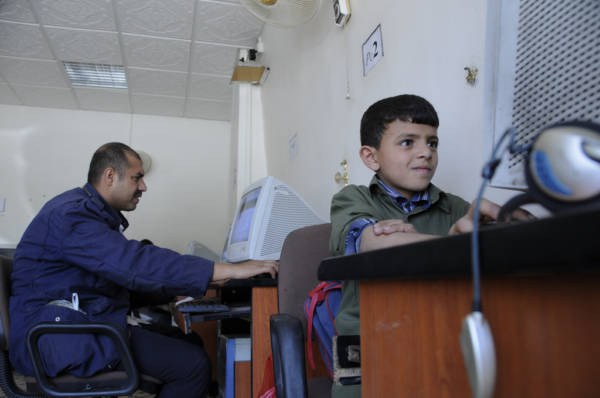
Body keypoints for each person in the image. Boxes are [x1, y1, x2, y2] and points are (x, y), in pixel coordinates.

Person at [9, 142, 278, 398]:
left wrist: (175, 289)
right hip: (55, 337)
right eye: (137, 178)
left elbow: (115, 279)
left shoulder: (86, 213)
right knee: (192, 366)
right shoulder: (72, 216)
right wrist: (226, 270)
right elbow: (134, 264)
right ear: (110, 176)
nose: (144, 186)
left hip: (69, 326)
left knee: (190, 342)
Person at [329, 94, 531, 398]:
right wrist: (454, 246)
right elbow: (370, 241)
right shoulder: (353, 199)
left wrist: (512, 222)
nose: (426, 152)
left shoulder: (456, 206)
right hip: (369, 354)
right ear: (371, 157)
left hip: (438, 344)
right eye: (408, 142)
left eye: (432, 143)